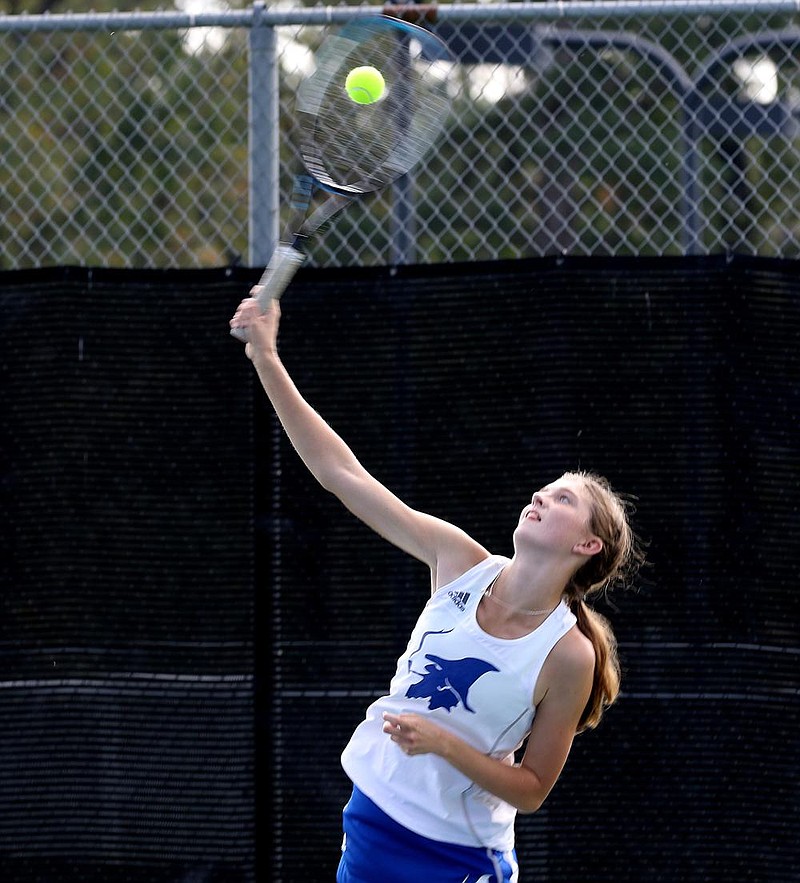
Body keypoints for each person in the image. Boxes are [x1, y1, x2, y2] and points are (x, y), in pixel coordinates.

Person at [230, 294, 642, 883]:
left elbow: (530, 792)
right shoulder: (458, 560)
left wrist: (443, 744)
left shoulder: (568, 654)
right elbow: (341, 474)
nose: (541, 497)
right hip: (372, 820)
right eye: (545, 489)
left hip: (459, 856)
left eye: (563, 499)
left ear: (587, 546)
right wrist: (267, 357)